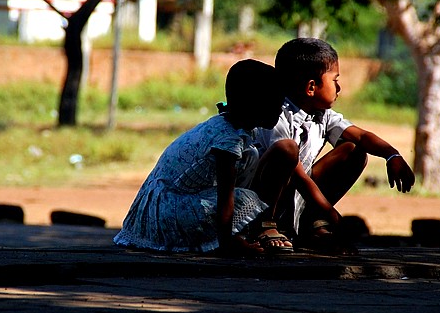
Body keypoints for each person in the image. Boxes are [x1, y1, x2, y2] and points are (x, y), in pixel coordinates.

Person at [113, 59, 294, 256]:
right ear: (254, 103)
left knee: (251, 157)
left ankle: (232, 234)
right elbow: (226, 198)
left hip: (161, 208)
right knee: (244, 198)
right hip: (168, 213)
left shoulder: (227, 125)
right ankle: (226, 239)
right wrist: (228, 244)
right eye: (276, 102)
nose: (281, 109)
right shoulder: (227, 140)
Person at [253, 37, 416, 253]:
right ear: (312, 87)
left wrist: (392, 155)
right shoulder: (276, 116)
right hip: (262, 199)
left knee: (354, 151)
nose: (339, 87)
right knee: (286, 151)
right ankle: (266, 225)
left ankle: (310, 226)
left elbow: (361, 136)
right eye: (334, 80)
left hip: (297, 196)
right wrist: (330, 212)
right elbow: (298, 175)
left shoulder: (322, 115)